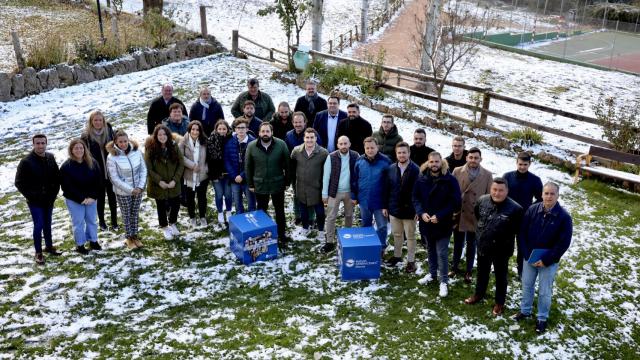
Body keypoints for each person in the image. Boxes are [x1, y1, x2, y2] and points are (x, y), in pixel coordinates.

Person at [513, 182, 572, 334]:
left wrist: (547, 260)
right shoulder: (532, 210)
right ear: (541, 194)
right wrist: (526, 254)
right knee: (527, 285)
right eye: (546, 193)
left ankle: (542, 318)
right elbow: (522, 233)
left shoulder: (564, 217)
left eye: (552, 194)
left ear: (558, 195)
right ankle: (525, 311)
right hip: (530, 257)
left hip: (548, 262)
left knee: (545, 290)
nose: (549, 196)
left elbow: (563, 243)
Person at [464, 178, 523, 316]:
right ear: (490, 189)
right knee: (481, 272)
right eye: (494, 189)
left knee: (501, 276)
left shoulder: (515, 209)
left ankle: (499, 302)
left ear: (507, 191)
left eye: (501, 190)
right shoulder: (482, 201)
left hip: (502, 249)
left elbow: (517, 230)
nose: (497, 193)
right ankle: (479, 294)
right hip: (484, 244)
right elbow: (478, 216)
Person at [412, 152, 461, 297]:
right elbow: (415, 197)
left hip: (443, 222)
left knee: (442, 252)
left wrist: (440, 215)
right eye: (432, 162)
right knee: (430, 250)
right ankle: (432, 274)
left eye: (437, 162)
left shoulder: (450, 179)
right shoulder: (421, 177)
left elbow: (455, 201)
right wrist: (421, 212)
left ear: (442, 162)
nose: (434, 164)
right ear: (428, 162)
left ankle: (444, 281)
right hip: (427, 221)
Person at [15, 134, 61, 264]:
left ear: (46, 143)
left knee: (48, 223)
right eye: (37, 143)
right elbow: (19, 183)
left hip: (49, 199)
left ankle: (49, 246)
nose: (40, 145)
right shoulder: (26, 162)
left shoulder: (50, 157)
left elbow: (56, 177)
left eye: (42, 143)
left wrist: (53, 194)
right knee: (39, 225)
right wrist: (33, 196)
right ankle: (38, 252)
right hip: (35, 201)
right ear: (33, 144)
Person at [245, 122, 291, 250]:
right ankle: (263, 235)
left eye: (267, 131)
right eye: (263, 131)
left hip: (277, 183)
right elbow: (248, 166)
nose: (265, 134)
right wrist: (250, 183)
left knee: (280, 211)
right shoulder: (252, 146)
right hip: (260, 184)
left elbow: (287, 164)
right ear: (259, 133)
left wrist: (287, 182)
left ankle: (282, 234)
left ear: (272, 132)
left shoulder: (281, 144)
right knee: (262, 211)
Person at [451, 147, 493, 283]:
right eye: (471, 157)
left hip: (476, 215)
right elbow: (450, 191)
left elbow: (489, 198)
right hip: (459, 213)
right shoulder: (457, 171)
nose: (473, 160)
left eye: (476, 158)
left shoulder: (487, 175)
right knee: (458, 243)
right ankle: (454, 267)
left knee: (472, 244)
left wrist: (485, 216)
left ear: (481, 159)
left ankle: (469, 270)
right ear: (466, 158)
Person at [503, 152, 543, 280]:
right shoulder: (507, 177)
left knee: (522, 246)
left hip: (525, 218)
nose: (522, 167)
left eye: (525, 165)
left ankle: (521, 270)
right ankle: (501, 267)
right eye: (520, 164)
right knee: (504, 243)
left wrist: (531, 209)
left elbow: (540, 199)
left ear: (529, 164)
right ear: (516, 163)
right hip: (507, 216)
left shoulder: (535, 180)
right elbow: (501, 194)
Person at [60, 139, 103, 254]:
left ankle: (93, 241)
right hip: (75, 200)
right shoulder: (66, 167)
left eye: (81, 148)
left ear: (84, 149)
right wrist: (82, 199)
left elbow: (98, 181)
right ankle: (80, 245)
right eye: (76, 148)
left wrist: (93, 197)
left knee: (92, 220)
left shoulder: (92, 162)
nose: (79, 150)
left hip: (91, 199)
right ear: (71, 150)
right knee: (78, 222)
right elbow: (67, 187)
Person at [383, 142, 420, 273]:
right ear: (396, 154)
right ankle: (397, 256)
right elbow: (386, 189)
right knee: (397, 234)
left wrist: (418, 210)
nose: (402, 155)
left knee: (410, 236)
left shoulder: (416, 170)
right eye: (399, 152)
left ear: (409, 153)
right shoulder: (391, 168)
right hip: (394, 209)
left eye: (404, 152)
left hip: (410, 211)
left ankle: (411, 261)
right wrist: (385, 206)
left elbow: (420, 192)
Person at [106, 130, 147, 249]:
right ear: (115, 142)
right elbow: (114, 178)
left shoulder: (136, 151)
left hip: (138, 189)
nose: (123, 144)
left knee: (135, 212)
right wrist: (130, 190)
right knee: (127, 214)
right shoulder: (112, 157)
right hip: (123, 192)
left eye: (125, 141)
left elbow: (143, 169)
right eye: (120, 142)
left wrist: (140, 186)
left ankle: (135, 235)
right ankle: (128, 237)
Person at [351, 137, 392, 250]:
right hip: (364, 201)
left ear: (377, 147)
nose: (370, 150)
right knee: (366, 225)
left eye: (372, 147)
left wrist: (387, 202)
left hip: (380, 202)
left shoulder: (386, 161)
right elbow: (354, 180)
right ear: (364, 148)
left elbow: (390, 183)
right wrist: (354, 196)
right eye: (367, 148)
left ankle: (381, 247)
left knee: (382, 226)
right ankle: (367, 246)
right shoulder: (359, 161)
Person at [145, 124, 184, 240]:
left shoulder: (173, 145)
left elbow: (180, 163)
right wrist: (159, 181)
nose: (162, 137)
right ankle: (164, 226)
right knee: (161, 206)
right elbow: (148, 168)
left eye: (164, 134)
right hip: (158, 184)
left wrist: (175, 180)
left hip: (173, 182)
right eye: (159, 135)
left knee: (176, 204)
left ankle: (172, 222)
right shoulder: (150, 148)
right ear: (156, 136)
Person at [81, 110, 118, 232]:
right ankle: (102, 222)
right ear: (91, 122)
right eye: (95, 120)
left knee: (113, 197)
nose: (98, 122)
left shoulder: (109, 131)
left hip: (110, 169)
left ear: (103, 121)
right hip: (97, 171)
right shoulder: (86, 136)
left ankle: (114, 221)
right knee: (100, 197)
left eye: (100, 120)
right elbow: (84, 154)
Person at [321, 136, 358, 254]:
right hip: (334, 191)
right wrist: (324, 193)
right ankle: (329, 241)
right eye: (341, 144)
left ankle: (347, 238)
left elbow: (358, 175)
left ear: (349, 144)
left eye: (345, 143)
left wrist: (356, 193)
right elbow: (326, 176)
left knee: (349, 215)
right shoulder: (331, 157)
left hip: (349, 191)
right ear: (337, 145)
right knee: (331, 216)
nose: (343, 146)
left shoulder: (355, 156)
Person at [290, 128, 329, 234]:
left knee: (320, 212)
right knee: (303, 209)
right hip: (301, 187)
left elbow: (327, 171)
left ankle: (321, 230)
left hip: (317, 188)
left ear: (316, 138)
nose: (309, 140)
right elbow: (292, 167)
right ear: (304, 138)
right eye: (307, 137)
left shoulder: (323, 153)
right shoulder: (296, 151)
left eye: (312, 137)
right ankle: (305, 227)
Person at [180, 120, 210, 228]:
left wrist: (204, 169)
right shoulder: (184, 141)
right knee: (190, 198)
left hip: (202, 175)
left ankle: (202, 216)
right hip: (189, 175)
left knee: (202, 197)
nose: (195, 132)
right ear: (189, 130)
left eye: (197, 130)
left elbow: (209, 158)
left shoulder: (204, 141)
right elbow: (180, 156)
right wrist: (192, 165)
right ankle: (192, 217)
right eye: (193, 129)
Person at [224, 118, 256, 214]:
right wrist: (234, 176)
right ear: (235, 129)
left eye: (243, 128)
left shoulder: (253, 142)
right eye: (238, 128)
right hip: (234, 179)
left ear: (247, 129)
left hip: (248, 178)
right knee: (238, 203)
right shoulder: (230, 142)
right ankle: (241, 223)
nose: (241, 130)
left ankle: (253, 223)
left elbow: (253, 163)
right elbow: (227, 160)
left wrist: (242, 175)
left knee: (251, 203)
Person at [207, 120, 233, 224]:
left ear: (227, 130)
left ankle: (229, 211)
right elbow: (209, 160)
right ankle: (220, 212)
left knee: (228, 194)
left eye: (224, 129)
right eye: (220, 129)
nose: (222, 131)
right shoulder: (211, 140)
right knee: (219, 194)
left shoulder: (231, 140)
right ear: (216, 129)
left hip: (228, 173)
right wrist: (214, 175)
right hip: (215, 173)